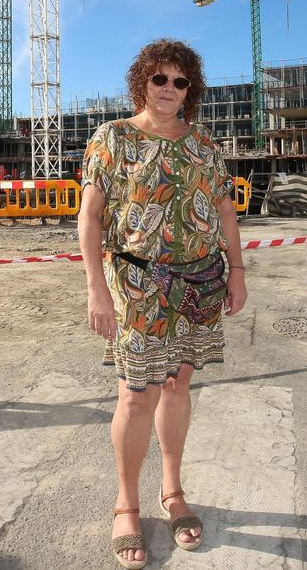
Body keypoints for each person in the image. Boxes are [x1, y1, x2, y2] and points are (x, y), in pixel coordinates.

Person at [78, 39, 247, 569]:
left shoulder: (203, 143)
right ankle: (126, 503)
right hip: (136, 287)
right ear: (141, 83)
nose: (170, 89)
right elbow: (90, 218)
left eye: (180, 82)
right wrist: (95, 288)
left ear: (189, 90)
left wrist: (237, 272)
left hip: (200, 283)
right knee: (136, 394)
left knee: (177, 384)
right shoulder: (113, 139)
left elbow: (224, 211)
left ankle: (171, 491)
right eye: (160, 79)